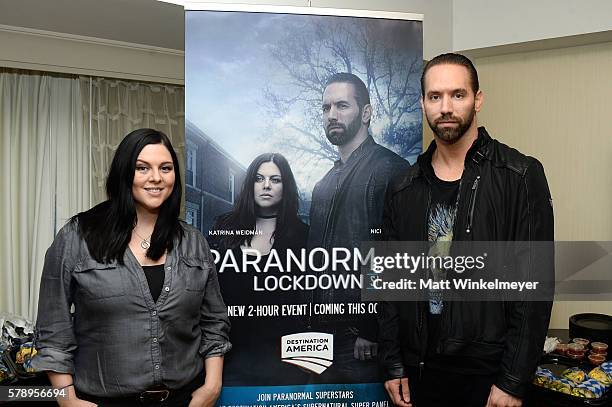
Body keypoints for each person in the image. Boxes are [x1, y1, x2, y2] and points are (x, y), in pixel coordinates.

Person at [379, 53, 554, 407]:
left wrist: (512, 381)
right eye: (435, 96)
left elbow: (534, 290)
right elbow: (388, 285)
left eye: (458, 95)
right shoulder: (402, 187)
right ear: (423, 104)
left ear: (478, 100)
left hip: (488, 377)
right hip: (420, 374)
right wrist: (393, 363)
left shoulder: (519, 175)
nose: (446, 107)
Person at [32, 128, 231, 407]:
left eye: (166, 168)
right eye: (142, 168)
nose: (156, 178)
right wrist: (67, 399)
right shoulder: (77, 236)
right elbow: (53, 325)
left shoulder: (192, 241)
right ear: (124, 173)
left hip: (186, 399)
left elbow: (214, 320)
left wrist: (212, 385)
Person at [307, 73, 410, 382]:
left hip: (361, 339)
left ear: (366, 113)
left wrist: (370, 327)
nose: (332, 115)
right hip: (322, 330)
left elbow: (393, 257)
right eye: (326, 108)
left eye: (342, 105)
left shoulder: (389, 169)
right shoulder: (324, 182)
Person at [211, 153, 308, 385]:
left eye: (275, 179)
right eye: (259, 178)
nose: (266, 185)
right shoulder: (224, 228)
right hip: (231, 359)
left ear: (286, 186)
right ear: (249, 184)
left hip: (286, 362)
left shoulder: (304, 235)